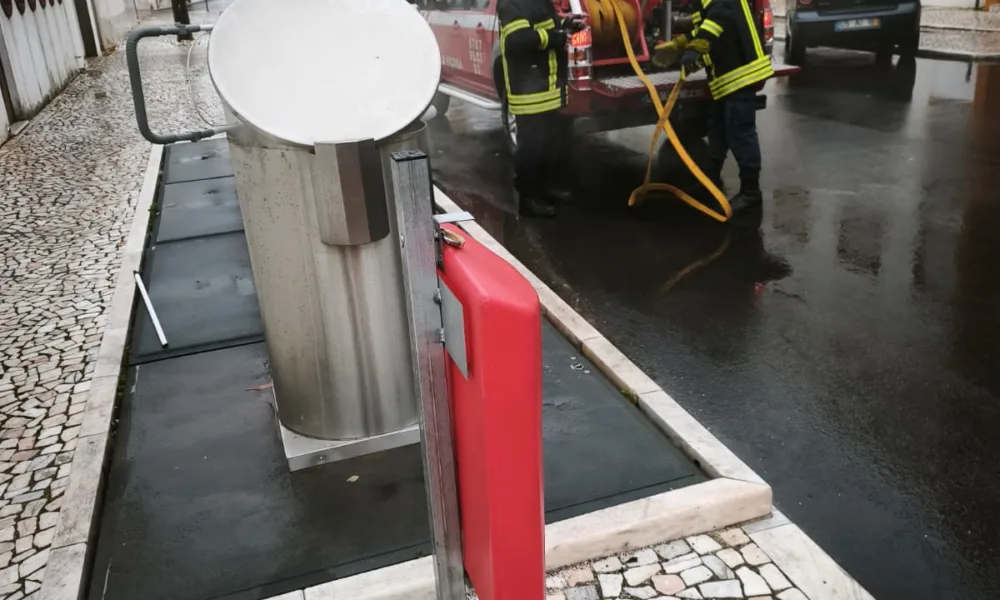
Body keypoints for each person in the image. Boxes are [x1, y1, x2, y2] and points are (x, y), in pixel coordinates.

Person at [653, 0, 774, 214]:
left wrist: (691, 54)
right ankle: (708, 182)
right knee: (717, 131)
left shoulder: (724, 4)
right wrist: (681, 43)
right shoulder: (712, 5)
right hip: (724, 81)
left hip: (740, 77)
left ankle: (751, 192)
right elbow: (705, 24)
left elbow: (714, 25)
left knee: (740, 135)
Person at [498, 0, 584, 218]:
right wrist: (555, 38)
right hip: (529, 92)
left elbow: (546, 26)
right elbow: (517, 40)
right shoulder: (512, 4)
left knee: (551, 143)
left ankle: (544, 188)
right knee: (532, 148)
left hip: (547, 88)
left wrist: (566, 25)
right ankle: (527, 199)